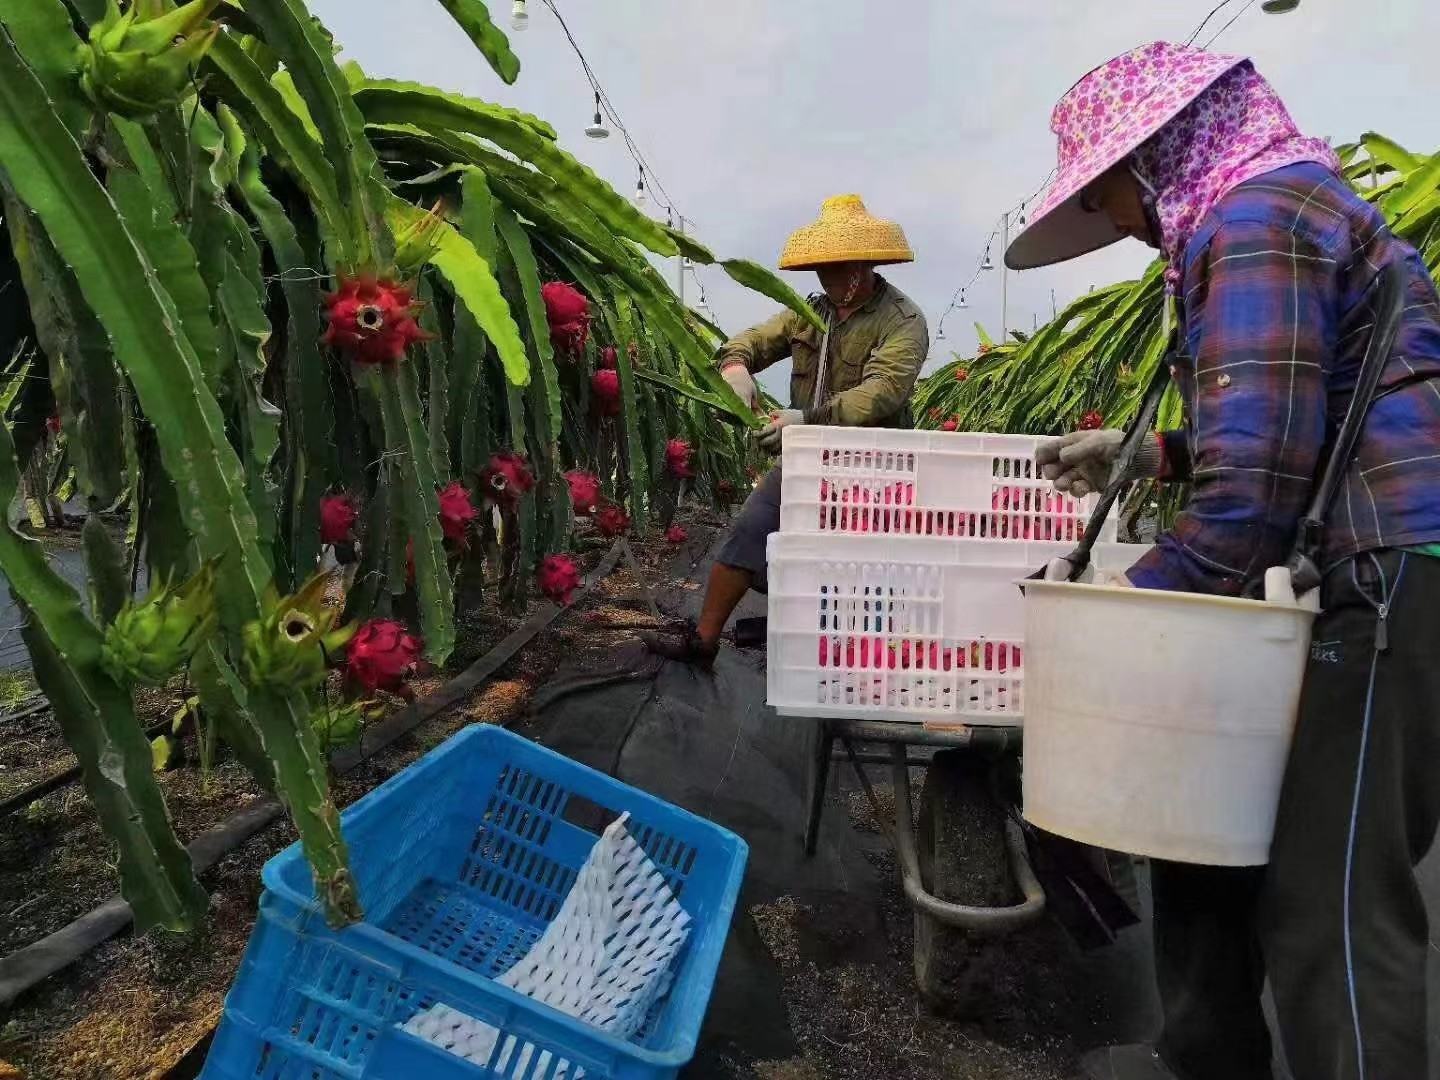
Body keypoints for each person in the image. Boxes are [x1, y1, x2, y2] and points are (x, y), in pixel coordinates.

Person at [1008, 41, 1440, 1080]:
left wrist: (1121, 628)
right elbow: (1301, 414)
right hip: (1362, 557)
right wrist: (1153, 452)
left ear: (1159, 157)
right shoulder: (1283, 208)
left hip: (1386, 575)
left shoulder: (1254, 223)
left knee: (1328, 896)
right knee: (1211, 838)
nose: (1123, 223)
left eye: (1113, 196)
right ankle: (1203, 1058)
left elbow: (1249, 498)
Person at [642, 195, 929, 664]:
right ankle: (704, 639)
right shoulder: (806, 312)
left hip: (877, 466)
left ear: (860, 265)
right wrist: (735, 367)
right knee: (752, 527)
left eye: (833, 267)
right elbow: (752, 340)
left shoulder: (902, 320)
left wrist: (808, 419)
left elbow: (884, 391)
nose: (824, 277)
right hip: (809, 455)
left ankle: (871, 661)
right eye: (819, 268)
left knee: (864, 571)